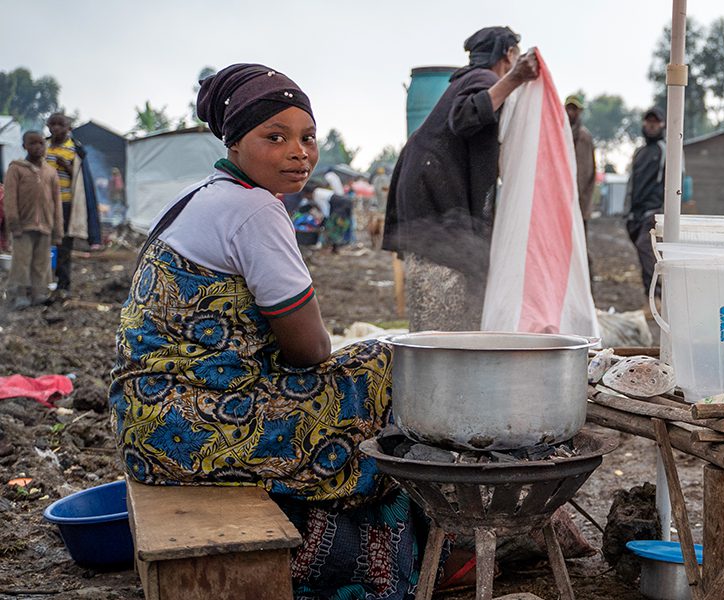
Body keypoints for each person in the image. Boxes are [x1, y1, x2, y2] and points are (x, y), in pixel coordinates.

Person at [108, 64, 429, 598]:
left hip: (144, 420)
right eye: (274, 137)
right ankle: (378, 557)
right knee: (384, 368)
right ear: (235, 143)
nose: (298, 152)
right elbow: (308, 350)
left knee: (369, 367)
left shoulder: (200, 195)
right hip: (191, 427)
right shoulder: (254, 209)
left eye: (307, 137)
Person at [383, 26, 539, 331]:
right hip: (435, 199)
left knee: (453, 285)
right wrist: (515, 78)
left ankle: (441, 356)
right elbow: (465, 116)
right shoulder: (484, 79)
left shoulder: (465, 80)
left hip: (424, 196)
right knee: (455, 290)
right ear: (509, 54)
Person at [4, 131, 62, 308]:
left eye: (41, 143)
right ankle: (21, 294)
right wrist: (14, 223)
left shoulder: (50, 172)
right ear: (24, 146)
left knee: (41, 262)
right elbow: (10, 198)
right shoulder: (16, 169)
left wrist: (57, 230)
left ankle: (38, 293)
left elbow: (56, 202)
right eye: (33, 143)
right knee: (21, 261)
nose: (38, 147)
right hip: (23, 225)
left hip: (45, 225)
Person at [45, 113, 98, 299]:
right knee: (43, 243)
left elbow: (80, 179)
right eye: (53, 124)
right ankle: (41, 283)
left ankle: (63, 284)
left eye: (61, 125)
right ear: (48, 126)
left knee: (64, 245)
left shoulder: (76, 150)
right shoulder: (42, 147)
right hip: (44, 204)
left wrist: (66, 166)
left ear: (69, 128)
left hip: (66, 204)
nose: (56, 128)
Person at [624, 107, 669, 295]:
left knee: (646, 249)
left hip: (654, 212)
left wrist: (664, 212)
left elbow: (675, 183)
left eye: (655, 122)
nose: (651, 126)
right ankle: (650, 297)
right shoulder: (640, 152)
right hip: (636, 214)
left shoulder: (666, 151)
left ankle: (658, 297)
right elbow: (632, 183)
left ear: (662, 125)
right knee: (645, 255)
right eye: (648, 122)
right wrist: (627, 212)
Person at [565, 95, 596, 224]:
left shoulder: (584, 137)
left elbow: (586, 173)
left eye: (574, 109)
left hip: (579, 201)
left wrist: (580, 201)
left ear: (580, 111)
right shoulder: (559, 133)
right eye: (569, 108)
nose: (571, 112)